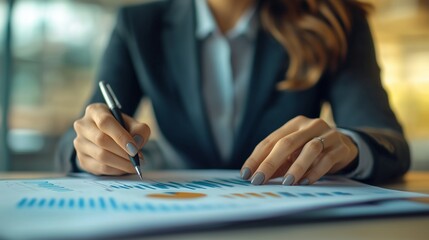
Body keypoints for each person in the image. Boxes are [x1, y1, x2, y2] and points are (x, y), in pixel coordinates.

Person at [56, 0, 410, 185]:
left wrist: (348, 144)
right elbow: (83, 131)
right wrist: (88, 149)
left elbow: (389, 142)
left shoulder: (336, 18)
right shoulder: (137, 25)